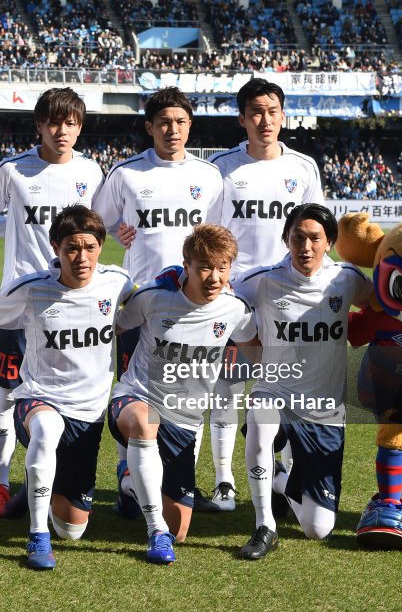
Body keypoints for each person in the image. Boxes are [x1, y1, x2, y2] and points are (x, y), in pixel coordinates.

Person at [0, 87, 103, 519]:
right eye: (54, 122)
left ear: (79, 127)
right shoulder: (13, 171)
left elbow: (99, 229)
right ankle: (0, 485)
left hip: (73, 305)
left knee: (69, 397)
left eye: (71, 123)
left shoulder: (92, 173)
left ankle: (47, 483)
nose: (62, 131)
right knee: (7, 398)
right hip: (23, 307)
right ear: (39, 125)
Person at [91, 86, 224, 517]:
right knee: (134, 394)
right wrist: (116, 232)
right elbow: (97, 218)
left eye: (181, 122)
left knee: (190, 396)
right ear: (150, 127)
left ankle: (181, 481)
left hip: (193, 305)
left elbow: (218, 236)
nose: (172, 129)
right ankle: (127, 480)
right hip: (140, 304)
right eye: (164, 122)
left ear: (190, 126)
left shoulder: (208, 176)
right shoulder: (127, 173)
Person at [0, 205, 133, 569]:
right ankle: (36, 536)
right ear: (55, 248)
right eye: (71, 249)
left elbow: (144, 302)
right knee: (47, 432)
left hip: (88, 414)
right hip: (38, 400)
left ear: (101, 246)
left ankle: (31, 494)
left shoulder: (117, 282)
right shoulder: (31, 289)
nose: (81, 258)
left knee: (72, 529)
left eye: (90, 247)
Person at [201, 78, 325, 514]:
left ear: (283, 116)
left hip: (287, 301)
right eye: (255, 112)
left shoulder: (304, 168)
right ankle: (223, 483)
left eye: (272, 111)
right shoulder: (219, 169)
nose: (265, 120)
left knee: (290, 394)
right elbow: (206, 235)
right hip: (235, 300)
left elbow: (318, 234)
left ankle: (286, 477)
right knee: (225, 391)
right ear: (241, 118)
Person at [109, 224, 256, 564]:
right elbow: (111, 328)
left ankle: (131, 486)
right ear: (186, 266)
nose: (214, 277)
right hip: (135, 399)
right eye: (205, 266)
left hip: (184, 422)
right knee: (145, 424)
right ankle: (155, 532)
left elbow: (255, 344)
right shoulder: (155, 297)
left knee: (181, 530)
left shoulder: (234, 308)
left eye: (222, 268)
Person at [231, 204, 371, 560]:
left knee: (317, 528)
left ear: (330, 243)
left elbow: (383, 302)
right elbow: (217, 296)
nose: (305, 246)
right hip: (274, 391)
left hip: (324, 411)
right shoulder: (261, 280)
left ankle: (279, 480)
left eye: (314, 238)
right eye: (297, 237)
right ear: (286, 239)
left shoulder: (347, 279)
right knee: (260, 426)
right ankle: (265, 526)